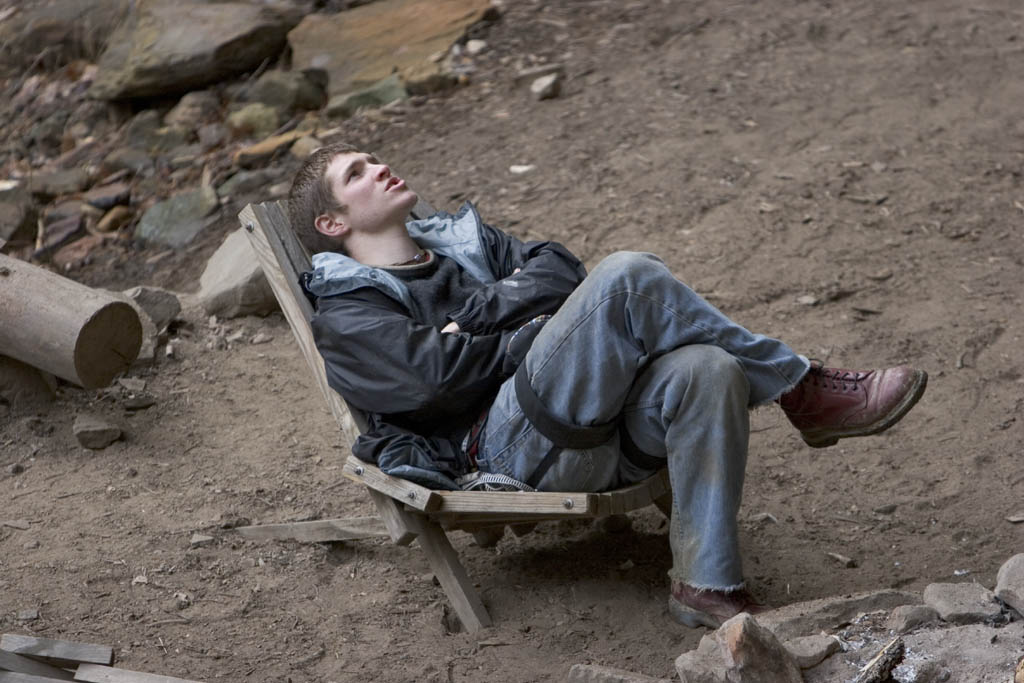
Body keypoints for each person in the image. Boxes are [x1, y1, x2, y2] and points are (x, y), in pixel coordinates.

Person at [288, 141, 928, 629]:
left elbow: (560, 268)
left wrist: (479, 318)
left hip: (591, 424)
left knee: (711, 367)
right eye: (356, 174)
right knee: (626, 275)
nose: (378, 168)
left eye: (373, 159)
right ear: (332, 225)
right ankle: (802, 389)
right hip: (501, 454)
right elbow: (433, 382)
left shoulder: (466, 245)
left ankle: (708, 585)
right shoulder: (348, 314)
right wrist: (528, 332)